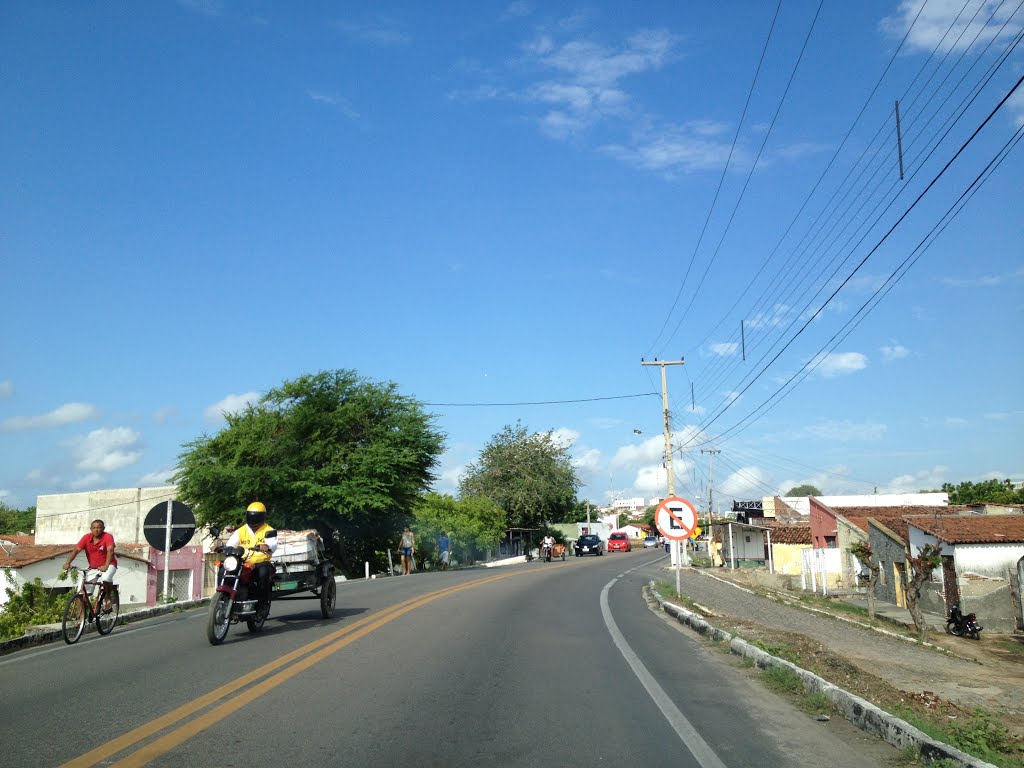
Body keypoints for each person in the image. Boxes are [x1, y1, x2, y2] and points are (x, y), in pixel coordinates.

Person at [223, 501, 278, 607]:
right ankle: (224, 597)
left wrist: (266, 546)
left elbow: (273, 544)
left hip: (261, 562)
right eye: (251, 516)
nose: (253, 519)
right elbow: (230, 543)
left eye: (256, 516)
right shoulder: (241, 531)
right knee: (224, 569)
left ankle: (261, 604)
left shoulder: (269, 530)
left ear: (262, 517)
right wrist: (225, 548)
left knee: (263, 574)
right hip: (242, 561)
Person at [62, 519, 118, 611]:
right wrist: (68, 563)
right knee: (81, 590)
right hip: (93, 567)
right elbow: (76, 550)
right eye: (94, 528)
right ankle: (82, 616)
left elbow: (110, 551)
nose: (96, 530)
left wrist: (106, 566)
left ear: (103, 528)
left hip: (109, 565)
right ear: (91, 529)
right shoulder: (86, 538)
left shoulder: (107, 536)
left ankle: (108, 597)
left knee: (106, 578)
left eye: (99, 528)